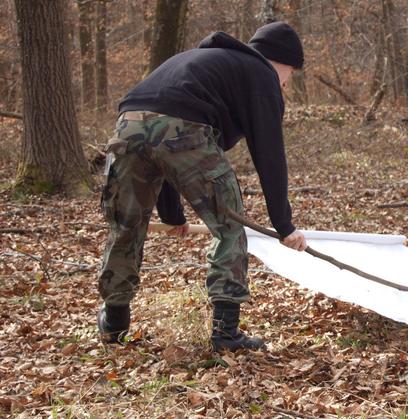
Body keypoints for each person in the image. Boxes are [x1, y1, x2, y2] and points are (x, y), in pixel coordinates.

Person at [97, 21, 307, 352]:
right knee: (229, 226)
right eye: (290, 72)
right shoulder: (261, 74)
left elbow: (160, 145)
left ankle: (114, 322)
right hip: (183, 127)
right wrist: (284, 224)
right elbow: (269, 153)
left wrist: (172, 216)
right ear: (280, 61)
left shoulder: (202, 63)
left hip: (128, 124)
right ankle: (226, 332)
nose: (286, 82)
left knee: (127, 225)